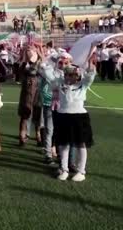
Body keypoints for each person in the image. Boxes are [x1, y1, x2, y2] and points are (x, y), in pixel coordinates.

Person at [39, 44, 97, 182]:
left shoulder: (82, 85)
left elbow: (90, 76)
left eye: (73, 74)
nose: (70, 76)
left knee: (80, 144)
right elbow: (47, 73)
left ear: (78, 76)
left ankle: (81, 171)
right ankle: (64, 169)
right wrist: (43, 59)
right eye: (67, 74)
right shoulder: (59, 83)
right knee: (64, 144)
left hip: (79, 117)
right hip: (63, 116)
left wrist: (90, 63)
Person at [17, 45, 41, 146]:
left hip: (30, 93)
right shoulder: (31, 67)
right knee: (30, 115)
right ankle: (36, 136)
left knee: (29, 116)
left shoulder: (26, 67)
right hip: (32, 92)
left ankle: (26, 136)